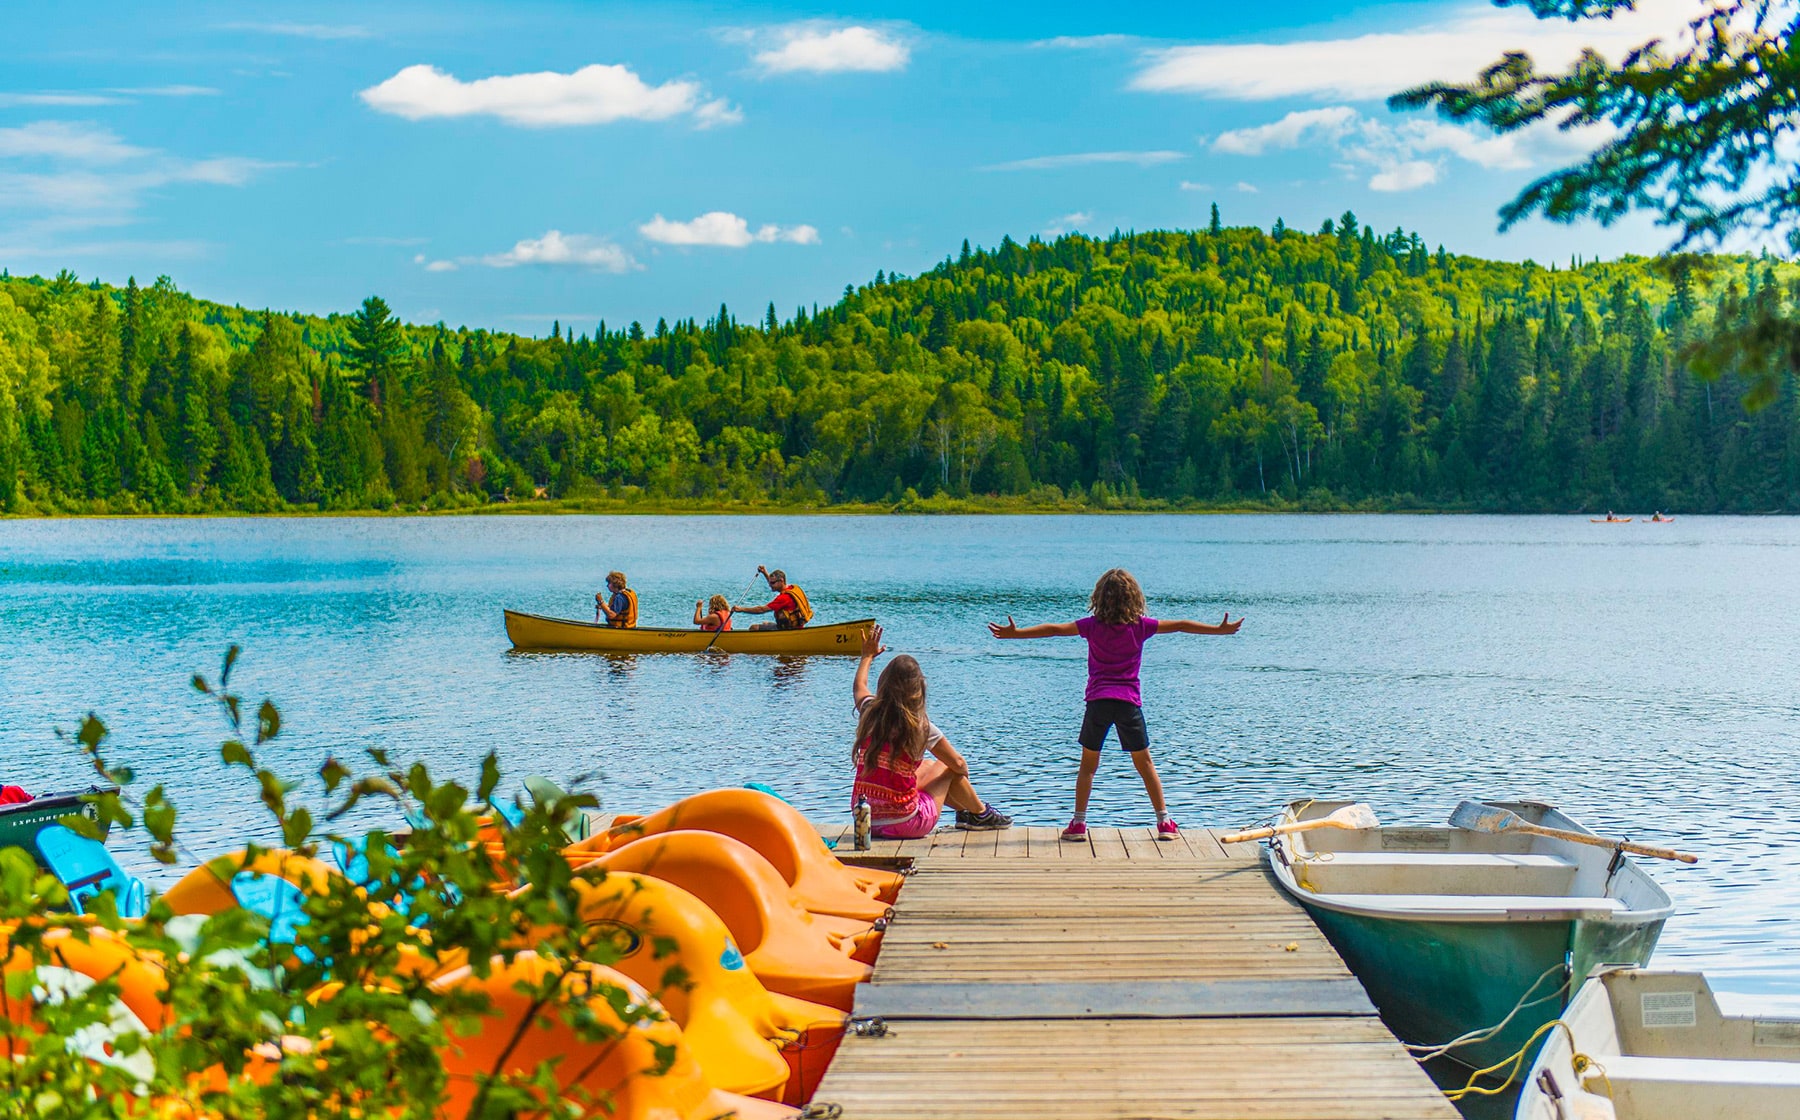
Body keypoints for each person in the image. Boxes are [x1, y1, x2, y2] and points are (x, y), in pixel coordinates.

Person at [988, 568, 1242, 842]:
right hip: (1127, 703)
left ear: (1099, 598)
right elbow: (1181, 624)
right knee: (1144, 763)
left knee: (1088, 766)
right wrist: (1218, 631)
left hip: (1098, 702)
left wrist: (1017, 634)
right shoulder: (1141, 626)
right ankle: (1164, 822)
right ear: (1135, 599)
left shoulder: (1091, 626)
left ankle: (1078, 824)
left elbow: (1054, 630)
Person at [852, 624, 1010, 837]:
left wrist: (867, 656)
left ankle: (970, 812)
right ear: (918, 690)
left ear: (883, 684)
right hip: (907, 823)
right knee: (946, 767)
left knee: (927, 765)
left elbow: (859, 686)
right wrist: (961, 779)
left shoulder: (869, 711)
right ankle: (979, 813)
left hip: (866, 819)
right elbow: (958, 764)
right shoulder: (920, 726)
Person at [734, 566, 813, 631]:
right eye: (770, 582)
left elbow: (761, 609)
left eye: (772, 583)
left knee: (753, 628)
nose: (770, 585)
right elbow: (774, 583)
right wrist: (764, 572)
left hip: (788, 629)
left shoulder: (783, 598)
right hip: (796, 626)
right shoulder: (792, 588)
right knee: (765, 623)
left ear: (781, 581)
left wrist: (741, 609)